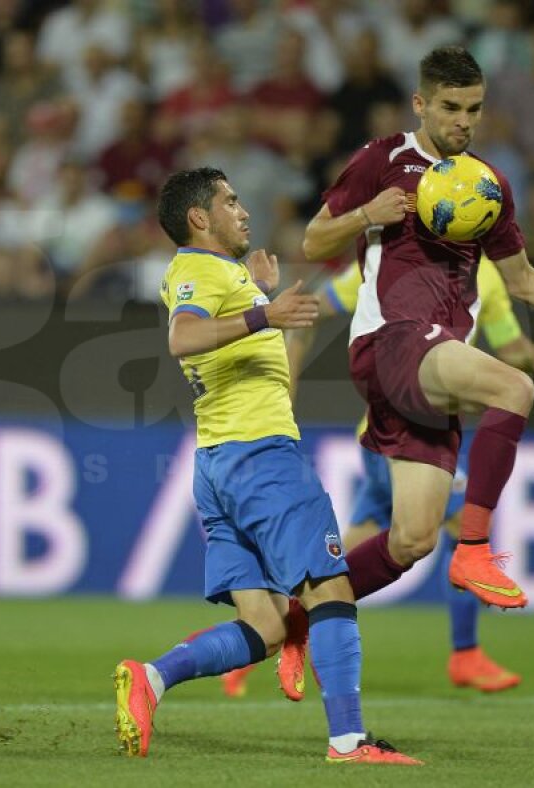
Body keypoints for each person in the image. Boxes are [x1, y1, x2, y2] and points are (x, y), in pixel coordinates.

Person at [298, 45, 534, 622]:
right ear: (420, 104)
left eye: (474, 108)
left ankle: (290, 624)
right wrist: (366, 216)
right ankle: (475, 549)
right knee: (514, 389)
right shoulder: (384, 159)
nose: (463, 120)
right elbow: (313, 242)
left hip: (432, 364)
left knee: (411, 541)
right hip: (392, 341)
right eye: (450, 107)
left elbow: (524, 282)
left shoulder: (488, 187)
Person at [113, 167, 420, 766]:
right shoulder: (198, 270)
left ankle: (151, 678)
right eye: (230, 201)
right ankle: (350, 742)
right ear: (199, 218)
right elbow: (183, 337)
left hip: (217, 463)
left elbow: (229, 333)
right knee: (331, 586)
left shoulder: (217, 275)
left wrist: (253, 292)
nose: (244, 210)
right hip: (261, 457)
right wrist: (264, 313)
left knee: (267, 626)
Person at [221, 256, 534, 699]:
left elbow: (513, 353)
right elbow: (310, 308)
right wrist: (288, 363)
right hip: (397, 437)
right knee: (459, 526)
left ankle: (261, 633)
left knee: (341, 562)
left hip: (412, 439)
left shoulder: (489, 278)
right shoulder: (393, 261)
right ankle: (465, 653)